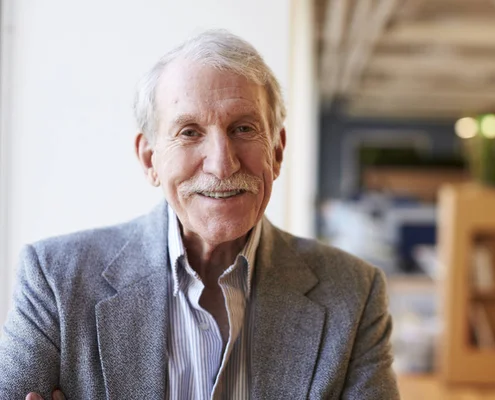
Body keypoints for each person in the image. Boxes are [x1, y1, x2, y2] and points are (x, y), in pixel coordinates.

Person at [0, 30, 400, 400]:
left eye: (243, 128)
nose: (222, 165)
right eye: (190, 132)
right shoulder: (54, 279)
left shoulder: (354, 293)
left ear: (277, 151)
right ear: (149, 158)